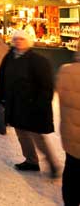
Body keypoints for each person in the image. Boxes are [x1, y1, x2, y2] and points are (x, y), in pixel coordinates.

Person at [0, 30, 59, 177]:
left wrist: (41, 104)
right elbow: (2, 77)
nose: (18, 42)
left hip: (32, 104)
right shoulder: (9, 57)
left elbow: (46, 86)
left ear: (28, 41)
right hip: (15, 103)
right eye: (16, 39)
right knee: (21, 133)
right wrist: (0, 96)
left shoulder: (38, 60)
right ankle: (31, 160)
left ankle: (52, 164)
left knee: (37, 135)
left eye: (22, 39)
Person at [56, 51, 80, 205]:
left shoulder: (66, 69)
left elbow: (61, 94)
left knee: (71, 167)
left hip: (70, 128)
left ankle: (70, 201)